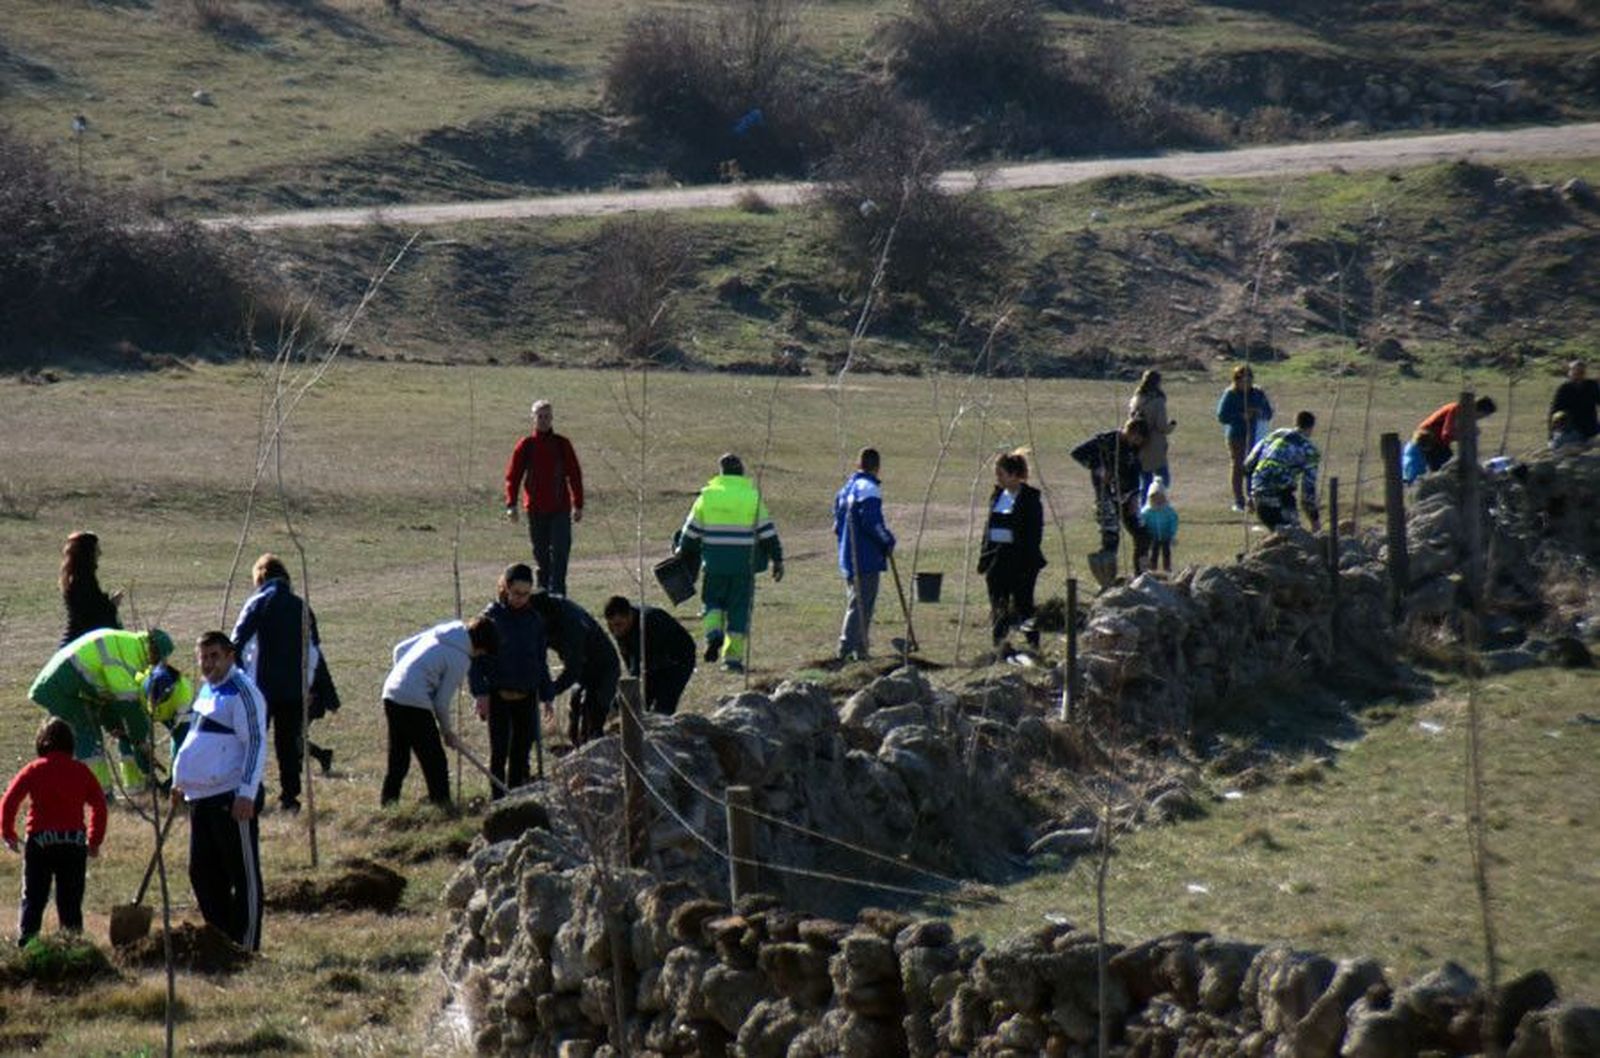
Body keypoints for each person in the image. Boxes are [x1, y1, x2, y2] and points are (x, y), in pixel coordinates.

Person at [171, 631, 269, 952]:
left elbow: (255, 743)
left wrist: (247, 793)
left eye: (215, 656)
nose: (209, 663)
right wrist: (179, 781)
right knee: (201, 872)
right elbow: (194, 741)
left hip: (230, 796)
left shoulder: (242, 693)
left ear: (230, 655)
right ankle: (223, 940)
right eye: (203, 657)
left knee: (242, 875)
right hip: (200, 798)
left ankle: (247, 945)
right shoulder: (208, 691)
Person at [230, 554, 338, 814]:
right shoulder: (302, 607)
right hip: (294, 690)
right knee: (288, 746)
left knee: (253, 741)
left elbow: (236, 642)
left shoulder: (256, 603)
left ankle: (250, 792)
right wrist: (324, 691)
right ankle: (290, 799)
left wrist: (238, 679)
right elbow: (314, 651)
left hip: (260, 689)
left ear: (260, 578)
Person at [28, 627, 180, 794]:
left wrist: (113, 724)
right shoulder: (126, 659)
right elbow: (130, 709)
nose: (159, 664)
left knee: (103, 730)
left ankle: (132, 787)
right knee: (89, 734)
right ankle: (100, 794)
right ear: (153, 651)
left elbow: (107, 696)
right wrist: (140, 740)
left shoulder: (130, 645)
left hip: (66, 685)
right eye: (160, 658)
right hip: (58, 688)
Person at [673, 453, 784, 673]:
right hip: (744, 567)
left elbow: (690, 533)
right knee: (739, 611)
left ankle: (714, 634)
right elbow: (767, 533)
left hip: (714, 564)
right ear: (741, 472)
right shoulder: (752, 497)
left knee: (712, 603)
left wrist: (681, 552)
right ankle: (732, 659)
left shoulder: (707, 497)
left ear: (721, 472)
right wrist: (777, 559)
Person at [2, 718, 107, 946]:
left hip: (40, 841)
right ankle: (73, 947)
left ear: (42, 743)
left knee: (34, 897)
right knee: (70, 900)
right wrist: (94, 840)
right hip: (73, 842)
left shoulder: (34, 769)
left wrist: (8, 833)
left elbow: (9, 800)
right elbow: (99, 803)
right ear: (71, 744)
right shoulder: (80, 771)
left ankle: (28, 945)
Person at [379, 616, 498, 807]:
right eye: (483, 652)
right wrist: (447, 732)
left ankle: (388, 805)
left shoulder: (445, 632)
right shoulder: (460, 659)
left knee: (399, 759)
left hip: (391, 693)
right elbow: (442, 703)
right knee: (435, 762)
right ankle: (443, 808)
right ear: (480, 646)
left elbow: (399, 649)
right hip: (414, 702)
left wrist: (406, 678)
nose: (480, 655)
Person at [469, 565, 554, 798]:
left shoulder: (535, 620)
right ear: (505, 588)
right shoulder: (490, 619)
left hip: (527, 696)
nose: (520, 598)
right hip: (499, 696)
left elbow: (540, 660)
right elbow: (475, 660)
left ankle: (516, 799)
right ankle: (497, 799)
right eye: (516, 593)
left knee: (521, 751)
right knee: (499, 752)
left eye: (526, 593)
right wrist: (480, 693)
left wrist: (548, 695)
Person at [503, 399, 584, 596]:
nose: (544, 420)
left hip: (560, 510)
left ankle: (558, 597)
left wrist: (578, 504)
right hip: (535, 510)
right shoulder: (526, 445)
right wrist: (511, 504)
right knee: (541, 557)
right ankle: (542, 595)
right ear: (533, 418)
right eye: (540, 416)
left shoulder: (562, 444)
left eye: (547, 416)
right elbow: (513, 476)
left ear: (552, 418)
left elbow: (574, 474)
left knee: (560, 555)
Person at [528, 592, 621, 746]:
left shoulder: (571, 624)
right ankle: (578, 748)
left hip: (604, 669)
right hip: (581, 670)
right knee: (575, 717)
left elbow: (572, 670)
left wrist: (549, 691)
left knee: (592, 721)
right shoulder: (543, 613)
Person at [976, 452, 1046, 650]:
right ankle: (999, 646)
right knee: (998, 604)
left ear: (1015, 474)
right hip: (997, 560)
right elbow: (988, 529)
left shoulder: (1030, 499)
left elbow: (1034, 534)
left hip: (1021, 562)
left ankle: (1033, 645)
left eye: (1001, 473)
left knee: (1024, 605)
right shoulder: (997, 495)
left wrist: (1025, 561)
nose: (997, 478)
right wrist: (984, 557)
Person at [833, 447, 897, 661]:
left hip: (847, 555)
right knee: (861, 603)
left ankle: (860, 648)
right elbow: (872, 522)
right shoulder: (868, 488)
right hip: (865, 556)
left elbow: (836, 526)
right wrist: (886, 539)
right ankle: (846, 648)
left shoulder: (845, 490)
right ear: (877, 467)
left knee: (857, 600)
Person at [1071, 419, 1151, 583]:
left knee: (1143, 535)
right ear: (1132, 432)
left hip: (1128, 496)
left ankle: (1142, 578)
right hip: (1106, 496)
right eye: (1138, 438)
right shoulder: (1105, 442)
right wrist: (1099, 468)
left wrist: (1135, 495)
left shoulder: (1134, 447)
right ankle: (1107, 581)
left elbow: (1136, 470)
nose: (1139, 443)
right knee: (1111, 539)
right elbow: (1077, 453)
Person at [603, 595, 697, 716]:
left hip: (677, 661)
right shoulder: (619, 627)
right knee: (640, 703)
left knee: (663, 705)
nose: (615, 631)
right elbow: (629, 658)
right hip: (651, 663)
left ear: (630, 615)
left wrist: (620, 701)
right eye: (611, 625)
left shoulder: (650, 623)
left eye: (618, 625)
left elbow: (639, 668)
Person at [1244, 410, 1322, 532]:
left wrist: (1249, 494)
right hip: (1282, 495)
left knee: (1278, 534)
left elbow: (1249, 465)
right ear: (1311, 427)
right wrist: (1315, 521)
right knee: (1294, 536)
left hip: (1259, 492)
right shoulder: (1310, 451)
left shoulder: (1276, 435)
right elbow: (1308, 491)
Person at [1216, 365, 1274, 511]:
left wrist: (1258, 412)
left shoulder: (1258, 393)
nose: (1246, 383)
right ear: (1237, 380)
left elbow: (1268, 412)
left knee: (1254, 466)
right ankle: (1239, 500)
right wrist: (1240, 416)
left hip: (1256, 435)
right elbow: (1222, 416)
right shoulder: (1230, 394)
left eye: (1249, 379)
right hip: (1237, 436)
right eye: (1243, 380)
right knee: (1238, 466)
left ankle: (1253, 498)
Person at [59, 530, 121, 648]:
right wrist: (112, 605)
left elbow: (92, 607)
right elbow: (90, 617)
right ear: (88, 553)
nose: (100, 553)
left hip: (79, 642)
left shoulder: (82, 577)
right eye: (97, 549)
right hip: (78, 645)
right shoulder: (81, 580)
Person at [1413, 395, 1496, 473]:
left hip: (1439, 441)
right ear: (1478, 410)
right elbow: (1447, 434)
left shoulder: (1466, 415)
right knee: (1444, 465)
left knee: (1449, 463)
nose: (1480, 418)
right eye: (1483, 415)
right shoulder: (1457, 409)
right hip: (1428, 439)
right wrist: (1467, 436)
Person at [1127, 370, 1176, 491]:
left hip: (1139, 442)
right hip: (1155, 444)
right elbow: (1161, 427)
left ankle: (1142, 506)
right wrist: (1172, 425)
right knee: (1163, 478)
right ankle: (1158, 504)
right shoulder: (1157, 402)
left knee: (1144, 479)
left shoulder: (1136, 399)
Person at [1549, 360, 1600, 441]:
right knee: (1560, 443)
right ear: (1570, 372)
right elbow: (1555, 411)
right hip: (1572, 427)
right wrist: (1551, 435)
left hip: (1591, 427)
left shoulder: (1592, 386)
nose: (1578, 375)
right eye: (1575, 371)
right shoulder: (1564, 389)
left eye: (1581, 372)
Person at [1139, 479, 1179, 574]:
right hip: (1153, 537)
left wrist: (1172, 535)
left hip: (1166, 536)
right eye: (1155, 498)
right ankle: (1153, 570)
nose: (1158, 501)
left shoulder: (1169, 512)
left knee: (1166, 553)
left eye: (1160, 498)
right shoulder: (1146, 512)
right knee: (1154, 553)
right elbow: (1141, 522)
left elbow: (1173, 522)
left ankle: (1167, 569)